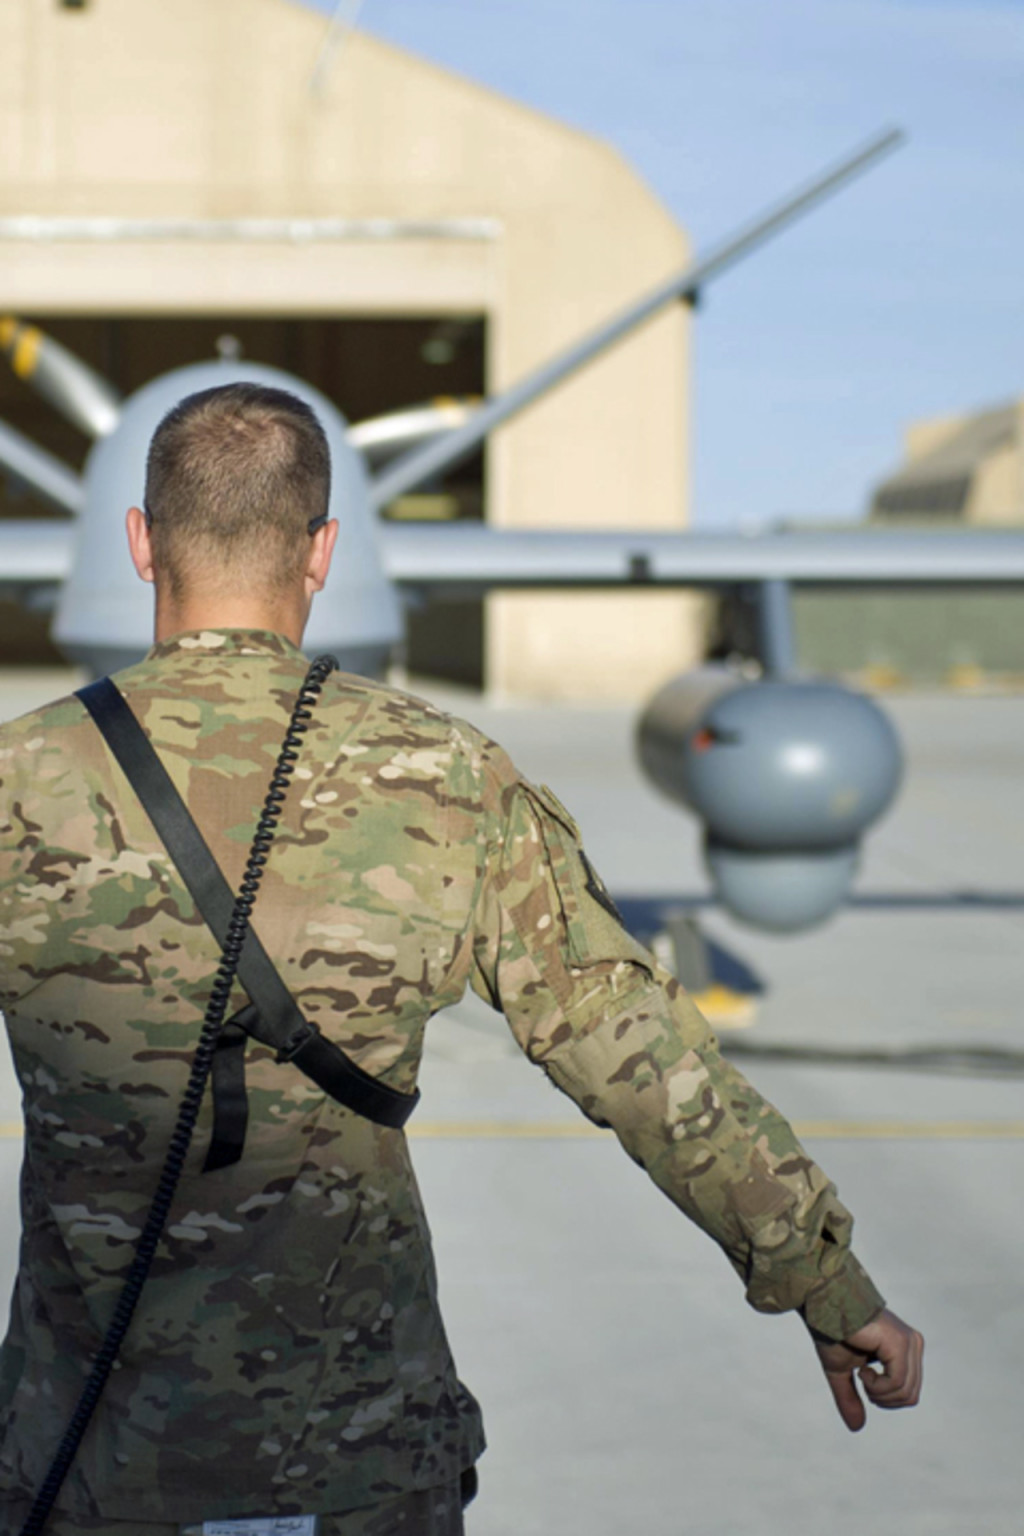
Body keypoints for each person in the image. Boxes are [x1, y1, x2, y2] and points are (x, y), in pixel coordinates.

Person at [0, 383, 923, 1535]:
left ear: (139, 542)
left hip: (83, 1461)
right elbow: (642, 1060)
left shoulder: (20, 782)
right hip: (354, 1463)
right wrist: (824, 1282)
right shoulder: (442, 777)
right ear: (322, 551)